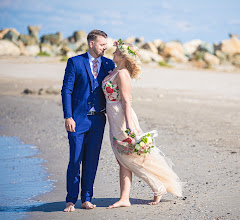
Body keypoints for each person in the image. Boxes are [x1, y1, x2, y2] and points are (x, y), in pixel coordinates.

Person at [102, 39, 182, 208]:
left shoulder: (122, 74)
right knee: (123, 159)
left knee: (132, 156)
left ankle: (157, 186)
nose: (113, 52)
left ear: (123, 57)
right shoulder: (114, 70)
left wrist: (130, 125)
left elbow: (127, 101)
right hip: (114, 118)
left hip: (122, 118)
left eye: (117, 51)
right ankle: (125, 198)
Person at [61, 30, 115, 212]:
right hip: (77, 120)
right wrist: (68, 116)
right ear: (91, 44)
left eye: (105, 45)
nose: (104, 48)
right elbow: (66, 91)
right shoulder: (75, 62)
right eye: (102, 45)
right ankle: (70, 200)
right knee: (75, 160)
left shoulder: (109, 64)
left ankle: (86, 199)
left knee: (92, 161)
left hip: (98, 120)